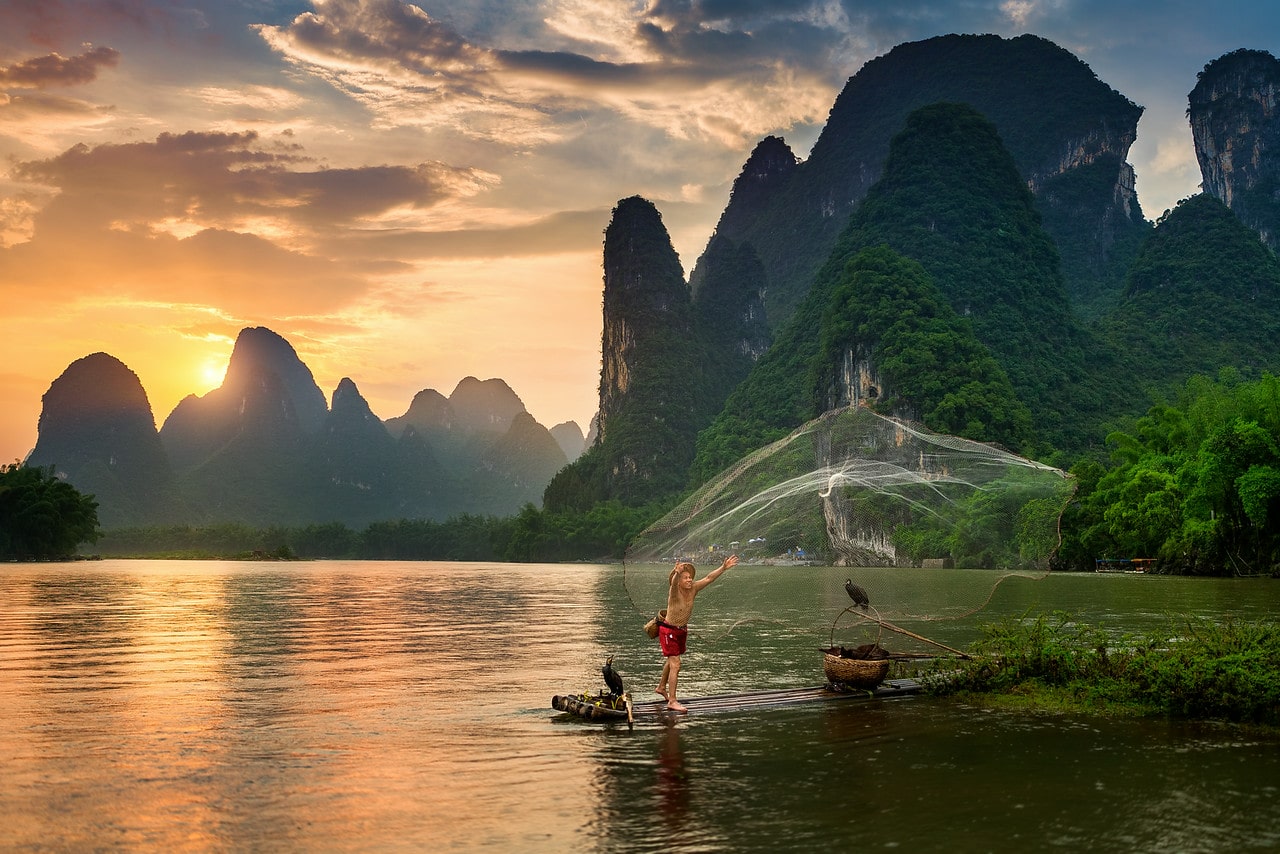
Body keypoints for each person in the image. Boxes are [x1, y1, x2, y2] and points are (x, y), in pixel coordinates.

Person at [655, 553, 738, 712]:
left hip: (681, 631)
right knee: (676, 664)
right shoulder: (674, 591)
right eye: (685, 577)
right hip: (669, 631)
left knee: (672, 661)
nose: (689, 580)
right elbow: (672, 583)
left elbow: (708, 578)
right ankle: (672, 701)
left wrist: (723, 567)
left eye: (689, 577)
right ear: (679, 580)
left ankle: (660, 687)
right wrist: (677, 573)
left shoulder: (693, 589)